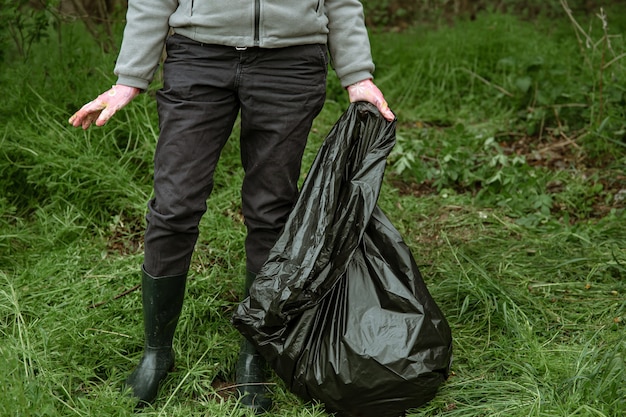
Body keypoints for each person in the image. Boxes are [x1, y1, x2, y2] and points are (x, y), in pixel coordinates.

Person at [69, 0, 394, 413]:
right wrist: (131, 76)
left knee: (272, 209)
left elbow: (341, 3)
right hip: (198, 56)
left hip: (290, 65)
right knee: (174, 206)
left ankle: (254, 354)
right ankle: (156, 353)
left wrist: (357, 74)